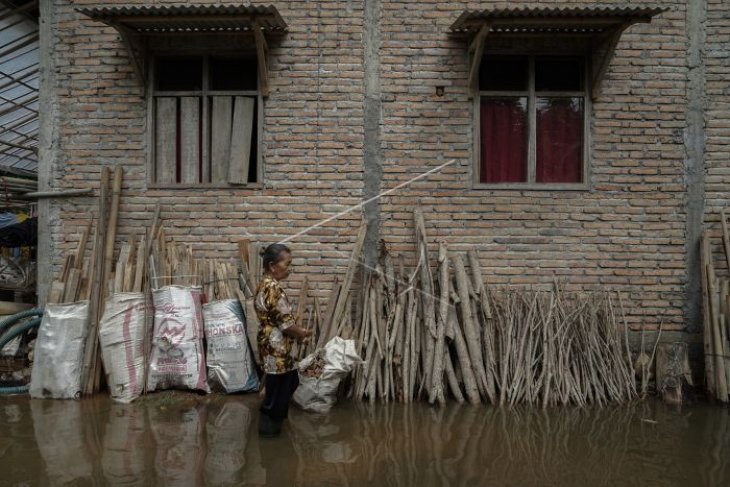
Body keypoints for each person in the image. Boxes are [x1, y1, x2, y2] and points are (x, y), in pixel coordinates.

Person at [255, 243, 312, 437]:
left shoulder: (265, 284)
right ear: (272, 266)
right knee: (278, 390)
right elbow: (286, 325)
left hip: (271, 344)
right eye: (287, 264)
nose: (289, 268)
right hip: (276, 346)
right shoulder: (274, 289)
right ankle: (269, 432)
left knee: (285, 382)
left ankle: (272, 425)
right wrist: (302, 333)